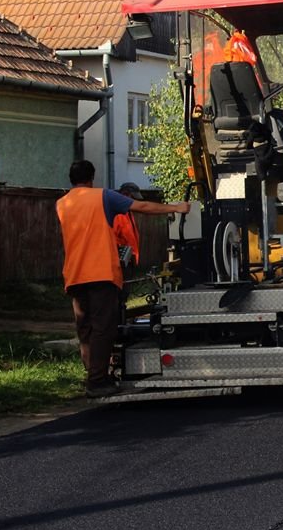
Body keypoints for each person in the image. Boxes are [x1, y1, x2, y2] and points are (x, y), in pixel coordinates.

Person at [56, 160, 191, 398]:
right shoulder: (103, 197)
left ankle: (94, 375)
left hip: (74, 275)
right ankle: (97, 381)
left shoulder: (62, 203)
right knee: (103, 328)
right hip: (100, 273)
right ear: (92, 177)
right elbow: (142, 206)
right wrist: (176, 208)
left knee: (85, 329)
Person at [113, 182, 142, 269]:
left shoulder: (128, 212)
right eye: (133, 198)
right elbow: (111, 238)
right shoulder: (116, 214)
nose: (135, 201)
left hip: (130, 260)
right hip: (119, 262)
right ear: (125, 195)